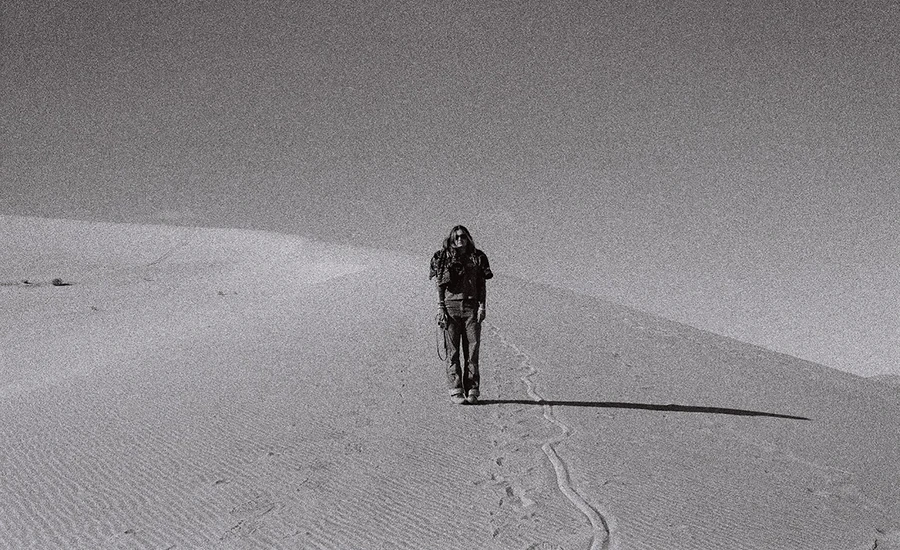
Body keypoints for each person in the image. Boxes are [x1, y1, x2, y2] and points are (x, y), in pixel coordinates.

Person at [429, 225, 493, 404]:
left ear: (468, 238)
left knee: (472, 350)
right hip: (450, 307)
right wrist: (440, 307)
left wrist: (482, 306)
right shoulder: (442, 257)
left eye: (463, 236)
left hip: (471, 307)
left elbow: (482, 284)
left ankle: (472, 389)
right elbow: (439, 285)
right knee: (452, 350)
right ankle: (455, 389)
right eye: (456, 237)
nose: (460, 240)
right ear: (451, 239)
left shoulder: (478, 257)